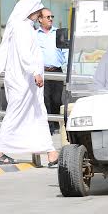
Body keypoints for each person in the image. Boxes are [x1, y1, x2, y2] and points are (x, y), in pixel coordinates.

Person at [0, 0, 55, 165]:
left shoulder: (23, 27)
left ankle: (51, 152)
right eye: (38, 12)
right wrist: (35, 72)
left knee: (37, 114)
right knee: (16, 115)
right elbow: (24, 54)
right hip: (23, 82)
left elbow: (7, 52)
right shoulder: (22, 28)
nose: (39, 15)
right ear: (30, 11)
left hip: (27, 82)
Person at [35, 8, 67, 136]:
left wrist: (68, 65)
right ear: (40, 19)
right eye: (47, 17)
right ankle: (49, 127)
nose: (50, 19)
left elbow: (66, 51)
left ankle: (57, 123)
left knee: (56, 99)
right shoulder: (35, 35)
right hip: (43, 72)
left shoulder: (58, 33)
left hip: (57, 71)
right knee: (45, 99)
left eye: (51, 16)